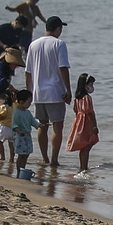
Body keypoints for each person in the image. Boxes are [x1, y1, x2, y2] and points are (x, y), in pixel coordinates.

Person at [23, 16, 71, 168]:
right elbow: (63, 68)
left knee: (42, 127)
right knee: (57, 128)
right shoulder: (59, 44)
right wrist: (68, 90)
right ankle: (54, 159)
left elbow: (28, 71)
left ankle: (45, 158)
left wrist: (29, 91)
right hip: (55, 92)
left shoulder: (33, 44)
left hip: (38, 93)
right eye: (60, 28)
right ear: (58, 28)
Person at [66, 74, 99, 178]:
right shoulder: (87, 98)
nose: (92, 86)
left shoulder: (77, 98)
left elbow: (76, 111)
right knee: (87, 145)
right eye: (90, 84)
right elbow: (89, 113)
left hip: (79, 122)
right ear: (85, 85)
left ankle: (83, 166)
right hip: (87, 123)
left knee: (84, 145)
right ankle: (84, 166)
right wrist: (94, 126)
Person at [9, 89, 36, 177]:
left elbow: (32, 121)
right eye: (28, 102)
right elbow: (14, 125)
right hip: (20, 136)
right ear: (21, 102)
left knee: (26, 154)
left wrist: (40, 125)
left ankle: (22, 170)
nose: (30, 104)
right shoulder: (16, 112)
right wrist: (19, 132)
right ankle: (19, 172)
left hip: (27, 135)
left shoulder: (27, 112)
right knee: (21, 155)